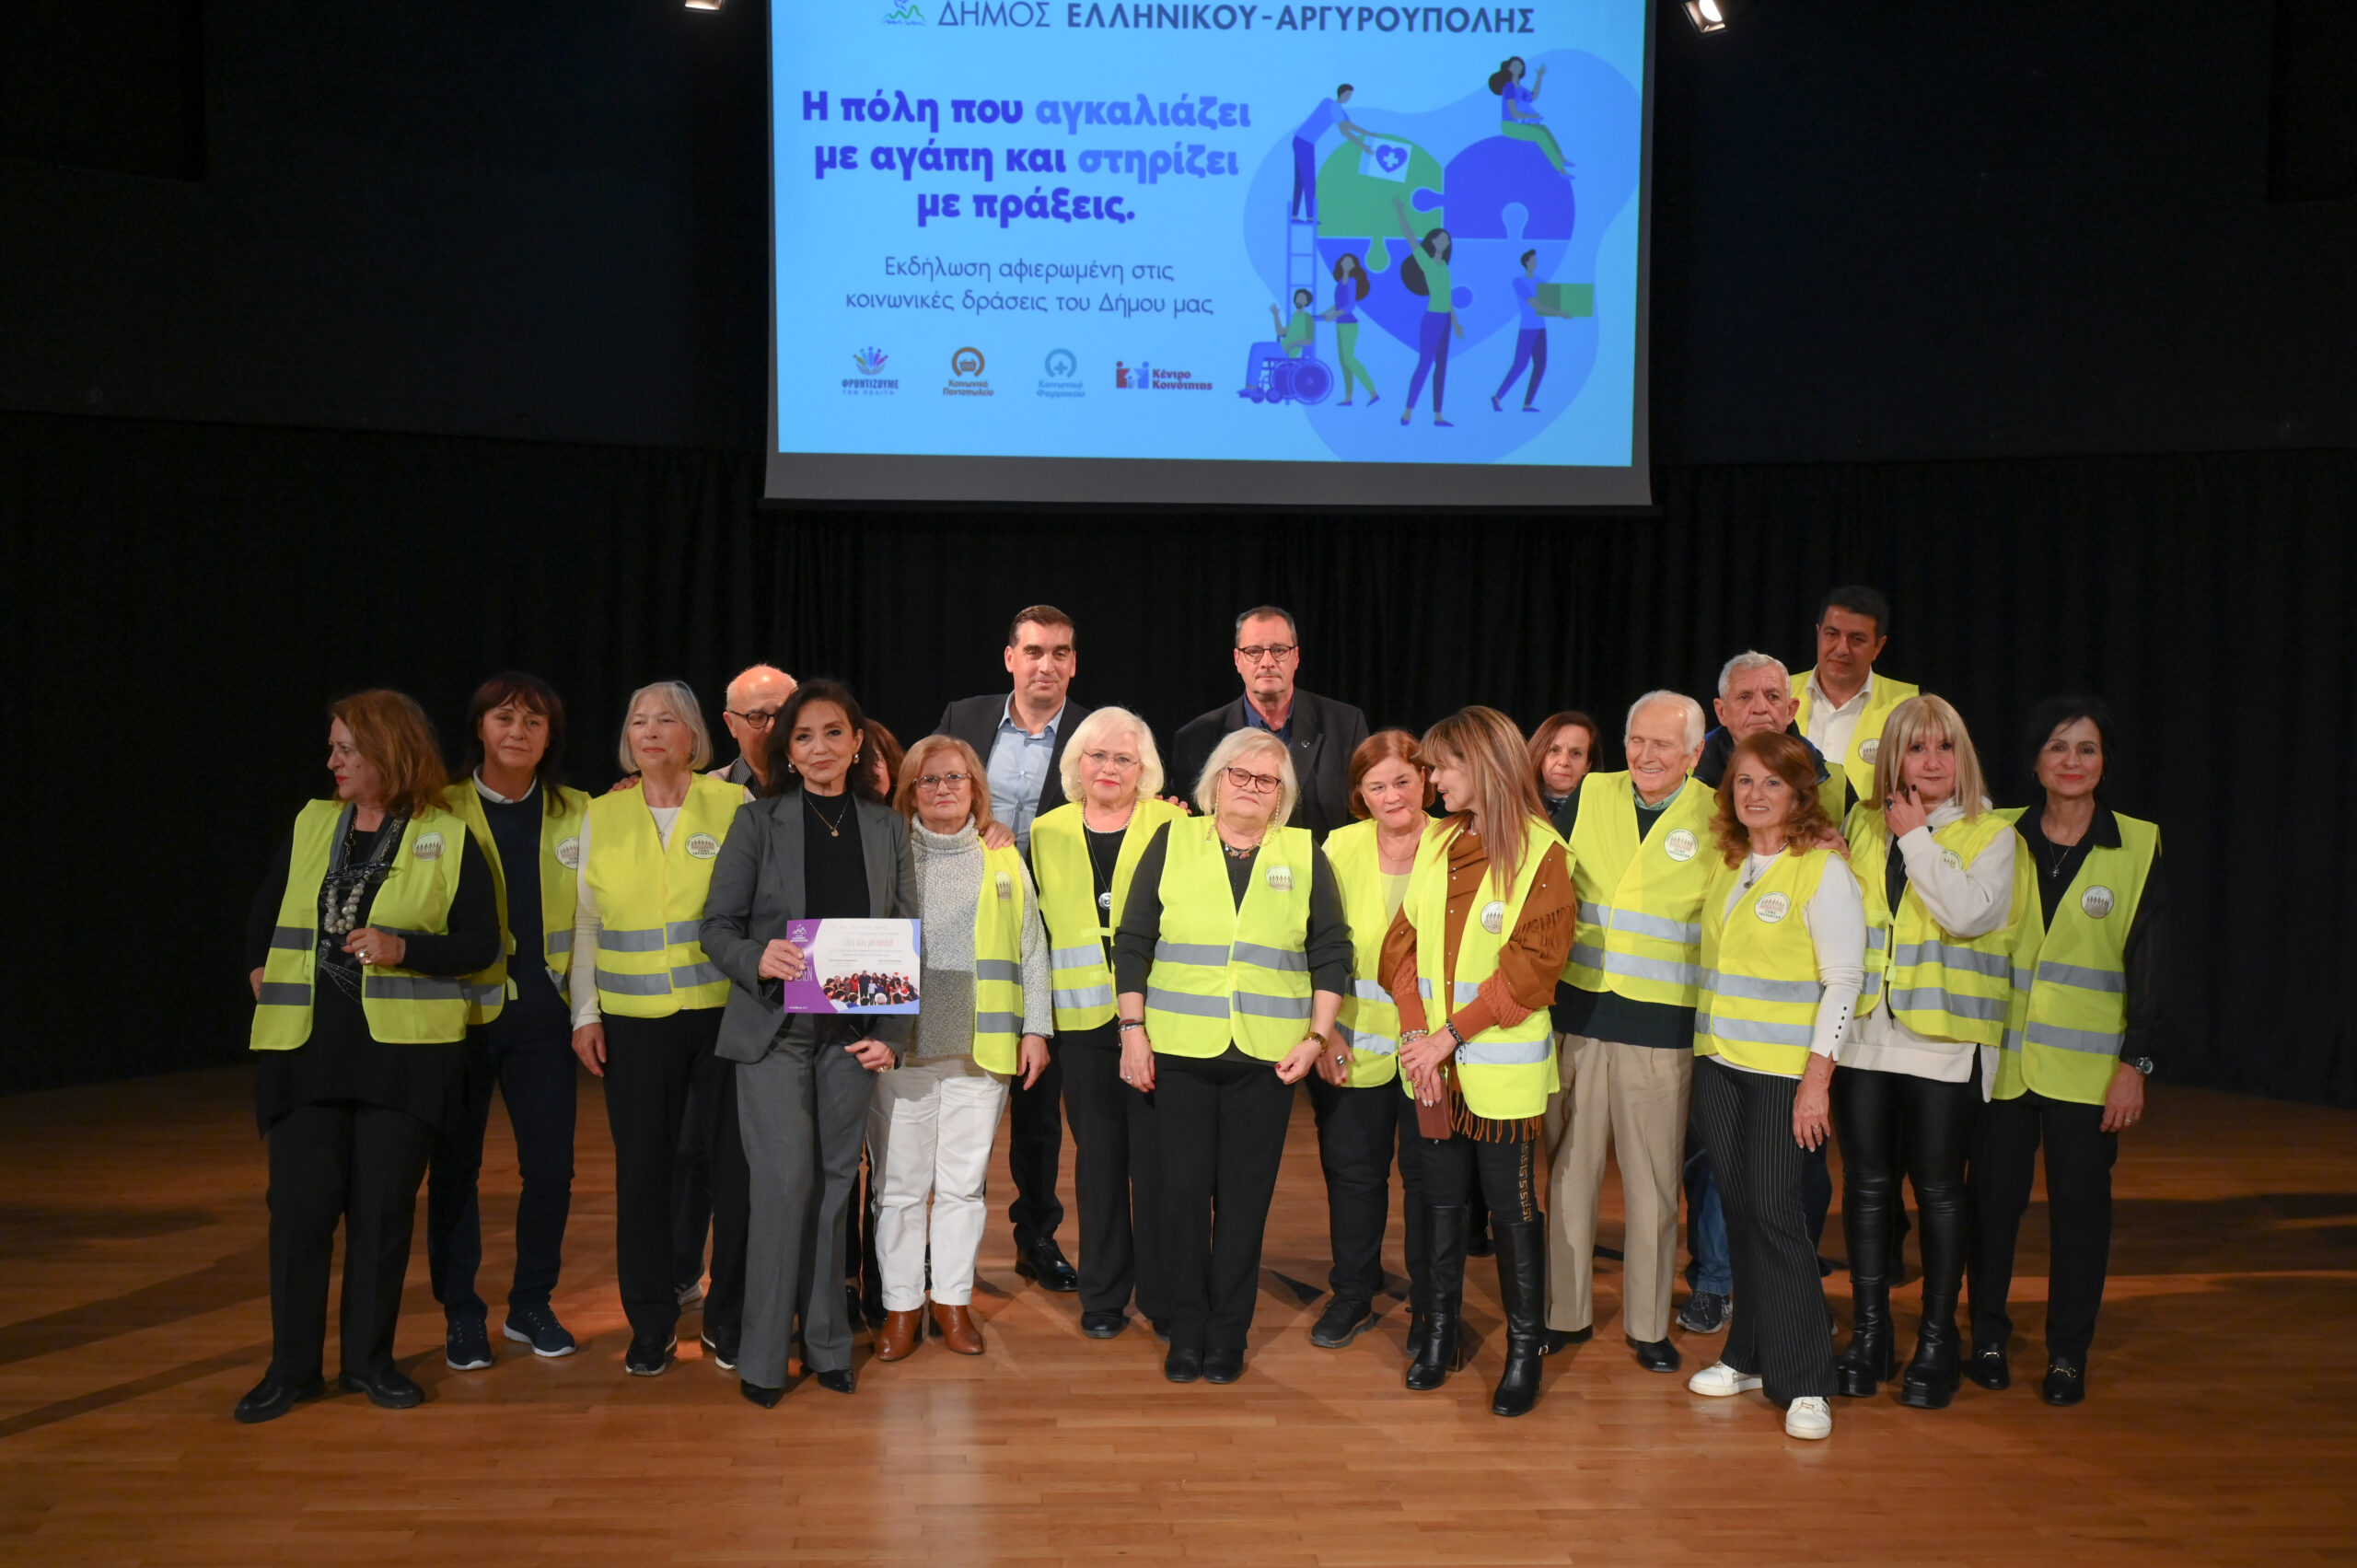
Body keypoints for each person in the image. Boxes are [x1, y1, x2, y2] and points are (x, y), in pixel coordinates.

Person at [238, 691, 500, 1423]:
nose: (333, 760)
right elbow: (267, 906)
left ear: (389, 751)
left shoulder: (446, 835)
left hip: (403, 1058)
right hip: (306, 1050)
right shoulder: (312, 821)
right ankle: (291, 1369)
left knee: (383, 1214)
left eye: (347, 748)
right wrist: (256, 965)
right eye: (335, 747)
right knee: (299, 1214)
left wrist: (402, 947)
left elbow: (481, 943)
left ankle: (369, 1362)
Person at [700, 679, 917, 1406]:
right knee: (784, 1187)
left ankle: (827, 1345)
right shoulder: (757, 822)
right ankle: (764, 1356)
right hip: (776, 1032)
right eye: (802, 736)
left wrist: (892, 1035)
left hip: (852, 1036)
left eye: (833, 733)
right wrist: (757, 956)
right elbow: (715, 927)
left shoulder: (886, 826)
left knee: (833, 1190)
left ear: (857, 743)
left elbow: (906, 930)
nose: (819, 747)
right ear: (786, 753)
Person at [1114, 728, 1348, 1385]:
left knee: (1246, 1202)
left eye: (1266, 779)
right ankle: (1186, 1328)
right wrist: (1132, 1029)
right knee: (1182, 1198)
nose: (1250, 786)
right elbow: (1133, 939)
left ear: (1282, 795)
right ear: (1215, 782)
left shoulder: (1303, 853)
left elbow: (1332, 950)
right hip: (1178, 1051)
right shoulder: (1173, 841)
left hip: (1266, 1059)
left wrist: (1317, 1037)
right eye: (1238, 774)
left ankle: (1228, 1335)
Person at [1834, 694, 2038, 1410]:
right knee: (1867, 1188)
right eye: (1916, 747)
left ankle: (1935, 1339)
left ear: (1962, 756)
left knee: (1940, 1191)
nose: (1930, 761)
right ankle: (1870, 1334)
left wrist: (1917, 837)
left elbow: (1968, 912)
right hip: (1865, 1035)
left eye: (1944, 747)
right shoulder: (1862, 823)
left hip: (1944, 1043)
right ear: (1893, 755)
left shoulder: (1993, 833)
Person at [1970, 697, 2165, 1406]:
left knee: (2081, 1216)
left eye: (2087, 748)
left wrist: (2135, 1065)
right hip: (2003, 1063)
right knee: (1991, 1209)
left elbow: (2149, 963)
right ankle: (1986, 1336)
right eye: (2058, 747)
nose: (2072, 761)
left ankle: (2066, 1354)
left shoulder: (2137, 843)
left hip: (2089, 1070)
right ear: (2035, 761)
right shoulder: (1996, 833)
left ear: (2104, 762)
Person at [1383, 709, 1573, 1416]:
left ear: (1485, 766)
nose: (1432, 780)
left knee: (1510, 1207)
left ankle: (1524, 1350)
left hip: (1499, 1071)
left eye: (1443, 766)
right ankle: (1438, 1332)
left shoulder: (1542, 854)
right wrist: (1417, 1038)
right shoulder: (1438, 840)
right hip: (1432, 1068)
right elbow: (1401, 946)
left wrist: (1445, 1038)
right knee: (1438, 1201)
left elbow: (1531, 970)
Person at [1683, 731, 1864, 1442]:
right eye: (1744, 780)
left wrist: (1817, 1081)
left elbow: (1843, 982)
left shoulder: (1822, 870)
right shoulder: (1732, 863)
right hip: (1720, 1064)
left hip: (1783, 1074)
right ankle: (1748, 1355)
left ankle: (1808, 1379)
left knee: (1778, 1215)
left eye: (1772, 783)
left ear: (1799, 795)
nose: (1754, 794)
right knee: (1742, 1213)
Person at [568, 681, 752, 1379]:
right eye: (637, 720)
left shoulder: (733, 805)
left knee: (733, 1171)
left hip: (724, 1016)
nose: (649, 730)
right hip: (634, 1024)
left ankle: (728, 1318)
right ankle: (650, 1324)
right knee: (643, 1175)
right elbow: (587, 922)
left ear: (693, 736)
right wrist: (585, 1013)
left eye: (665, 719)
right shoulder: (601, 813)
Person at [1543, 691, 1713, 1374]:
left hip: (1661, 1027)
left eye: (1663, 744)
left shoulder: (1719, 814)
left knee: (1653, 1185)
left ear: (1694, 754)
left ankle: (1648, 1325)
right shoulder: (1590, 792)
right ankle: (1564, 1312)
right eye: (1636, 739)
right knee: (1569, 1175)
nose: (1645, 754)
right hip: (1579, 1016)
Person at [424, 674, 590, 1373]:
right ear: (479, 727)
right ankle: (461, 1312)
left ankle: (531, 1303)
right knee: (454, 1170)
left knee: (551, 1170)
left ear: (550, 737)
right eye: (504, 718)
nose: (518, 732)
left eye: (533, 722)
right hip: (457, 1016)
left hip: (544, 1017)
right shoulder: (437, 806)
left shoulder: (580, 809)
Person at [869, 736, 1053, 1361]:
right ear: (909, 790)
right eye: (929, 779)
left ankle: (951, 1302)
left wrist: (1036, 1029)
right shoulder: (888, 852)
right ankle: (901, 1306)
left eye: (955, 778)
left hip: (984, 1047)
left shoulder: (1003, 855)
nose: (943, 789)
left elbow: (1031, 947)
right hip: (902, 1045)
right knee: (899, 1187)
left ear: (976, 787)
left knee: (962, 1187)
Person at [1683, 651, 1846, 1333]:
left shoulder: (1829, 784)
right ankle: (1720, 1284)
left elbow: (1841, 957)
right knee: (1719, 1174)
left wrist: (1817, 1075)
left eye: (1772, 695)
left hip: (1790, 1055)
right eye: (1745, 696)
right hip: (1720, 1044)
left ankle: (1791, 1307)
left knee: (1790, 1190)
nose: (1760, 706)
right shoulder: (1695, 780)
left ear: (1792, 707)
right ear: (1720, 712)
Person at [938, 606, 1091, 1294]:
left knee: (1037, 1101)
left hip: (1051, 934)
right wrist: (981, 826)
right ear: (1010, 658)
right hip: (962, 931)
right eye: (1033, 651)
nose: (1046, 665)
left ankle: (1036, 1235)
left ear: (1073, 663)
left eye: (1060, 653)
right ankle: (944, 1246)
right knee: (953, 1090)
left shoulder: (1093, 733)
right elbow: (927, 794)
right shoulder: (963, 718)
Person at [1027, 707, 1188, 1339]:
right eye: (1097, 756)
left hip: (1155, 1017)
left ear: (1144, 770)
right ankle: (1102, 1295)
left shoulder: (1174, 824)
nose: (1109, 768)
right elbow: (1035, 932)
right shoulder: (1045, 831)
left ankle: (1164, 1296)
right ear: (1077, 762)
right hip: (1081, 1022)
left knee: (1157, 1162)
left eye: (1124, 758)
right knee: (1097, 1161)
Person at [1308, 731, 1444, 1351]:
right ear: (1360, 794)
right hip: (1352, 1046)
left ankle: (1430, 1303)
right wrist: (1325, 1030)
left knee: (1428, 1179)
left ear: (1426, 780)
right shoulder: (1339, 846)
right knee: (1353, 1175)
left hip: (1431, 1051)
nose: (1392, 796)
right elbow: (1311, 943)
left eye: (1403, 781)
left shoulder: (1455, 844)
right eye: (1377, 785)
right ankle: (1353, 1293)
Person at [1170, 606, 1372, 839]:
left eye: (1279, 650)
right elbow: (1193, 829)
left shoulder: (1346, 725)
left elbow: (1364, 812)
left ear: (1296, 657)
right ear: (1237, 660)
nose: (1267, 662)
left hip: (1324, 860)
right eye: (1253, 651)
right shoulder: (1195, 739)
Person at [1790, 586, 1920, 803]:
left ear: (1879, 647)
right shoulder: (1777, 695)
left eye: (1857, 639)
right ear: (1818, 633)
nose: (1842, 649)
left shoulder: (1910, 707)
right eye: (1832, 634)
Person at [1391, 197, 1464, 427]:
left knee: (1441, 366)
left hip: (1445, 321)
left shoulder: (1445, 267)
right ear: (1432, 241)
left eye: (1447, 239)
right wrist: (1400, 210)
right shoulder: (1426, 261)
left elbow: (1447, 296)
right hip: (1432, 319)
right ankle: (1408, 411)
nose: (1446, 241)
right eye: (1442, 238)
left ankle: (1438, 415)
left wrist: (1455, 321)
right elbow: (1409, 237)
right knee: (1424, 364)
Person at [1491, 250, 1566, 412]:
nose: (1535, 262)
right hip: (1527, 330)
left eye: (1536, 260)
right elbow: (1535, 304)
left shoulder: (1540, 281)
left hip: (1540, 329)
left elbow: (1554, 298)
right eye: (1533, 260)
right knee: (1520, 365)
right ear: (1526, 262)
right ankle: (1497, 397)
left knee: (1540, 365)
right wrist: (1559, 313)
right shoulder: (1519, 282)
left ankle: (1527, 404)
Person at [1290, 82, 1373, 221]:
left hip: (1301, 141)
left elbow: (1349, 125)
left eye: (1350, 96)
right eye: (1347, 95)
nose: (1349, 98)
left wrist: (1369, 134)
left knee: (1301, 181)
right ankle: (1310, 217)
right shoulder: (1333, 107)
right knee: (1308, 181)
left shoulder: (1335, 107)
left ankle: (1295, 215)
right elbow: (1345, 132)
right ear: (1341, 94)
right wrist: (1364, 146)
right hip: (1304, 143)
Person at [715, 664, 797, 788]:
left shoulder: (819, 780)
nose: (772, 727)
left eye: (783, 714)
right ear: (731, 724)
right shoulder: (712, 790)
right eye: (758, 717)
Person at [1490, 55, 1571, 178]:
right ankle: (1560, 169)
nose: (1518, 67)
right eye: (1515, 65)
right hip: (1509, 126)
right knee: (1539, 135)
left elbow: (1533, 97)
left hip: (1517, 124)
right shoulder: (1509, 87)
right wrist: (1532, 116)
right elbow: (1513, 113)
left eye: (1520, 65)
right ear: (1509, 68)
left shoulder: (1520, 88)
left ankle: (1561, 157)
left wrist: (1539, 77)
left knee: (1544, 128)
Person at [1527, 710, 1598, 839]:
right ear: (1540, 754)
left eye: (1576, 753)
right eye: (1555, 750)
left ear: (1587, 766)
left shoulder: (1599, 812)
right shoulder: (1516, 805)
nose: (1564, 762)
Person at [1320, 253, 1378, 406]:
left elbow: (1350, 305)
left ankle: (1372, 392)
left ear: (1353, 266)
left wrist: (1333, 315)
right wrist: (1325, 313)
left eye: (1349, 261)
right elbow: (1338, 303)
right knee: (1343, 362)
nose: (1345, 263)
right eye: (1344, 261)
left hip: (1349, 324)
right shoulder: (1340, 281)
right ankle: (1348, 397)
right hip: (1340, 323)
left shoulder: (1352, 281)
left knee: (1349, 359)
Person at [1270, 287, 1318, 357]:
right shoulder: (1295, 316)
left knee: (1258, 350)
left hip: (1290, 351)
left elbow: (1309, 340)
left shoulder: (1307, 318)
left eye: (1302, 299)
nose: (1299, 301)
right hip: (1282, 347)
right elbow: (1280, 332)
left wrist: (1292, 344)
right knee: (1259, 348)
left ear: (1307, 302)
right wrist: (1276, 315)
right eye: (1297, 298)